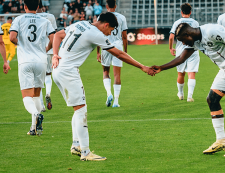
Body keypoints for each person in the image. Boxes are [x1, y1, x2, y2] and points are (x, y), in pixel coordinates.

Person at [52, 12, 154, 161]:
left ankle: (76, 145)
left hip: (58, 69)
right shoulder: (96, 34)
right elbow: (119, 54)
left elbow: (57, 35)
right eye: (111, 30)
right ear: (106, 25)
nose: (110, 33)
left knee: (78, 108)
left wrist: (55, 54)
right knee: (81, 110)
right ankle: (85, 153)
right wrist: (142, 67)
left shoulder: (79, 24)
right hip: (68, 72)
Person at [151, 22, 225, 157]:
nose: (184, 44)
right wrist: (161, 68)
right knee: (212, 99)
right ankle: (221, 140)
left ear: (188, 34)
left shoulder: (211, 31)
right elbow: (181, 58)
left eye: (182, 40)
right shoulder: (194, 41)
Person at [9, 0, 55, 136]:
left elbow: (12, 37)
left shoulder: (19, 19)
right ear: (39, 7)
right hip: (41, 61)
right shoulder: (45, 20)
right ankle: (34, 128)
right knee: (36, 94)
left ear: (25, 6)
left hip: (25, 61)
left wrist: (22, 44)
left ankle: (36, 114)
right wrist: (46, 49)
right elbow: (54, 37)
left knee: (26, 96)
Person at [97, 0, 128, 107]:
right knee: (117, 75)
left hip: (105, 45)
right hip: (118, 47)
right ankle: (116, 101)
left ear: (106, 6)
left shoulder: (101, 17)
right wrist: (125, 52)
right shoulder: (122, 17)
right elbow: (124, 36)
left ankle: (108, 93)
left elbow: (97, 34)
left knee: (106, 71)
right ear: (115, 6)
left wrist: (97, 52)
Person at [169, 3, 199, 102]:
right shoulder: (195, 23)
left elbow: (171, 37)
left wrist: (171, 48)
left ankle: (181, 94)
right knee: (191, 74)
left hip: (180, 51)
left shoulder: (177, 22)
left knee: (180, 74)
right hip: (192, 50)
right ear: (190, 12)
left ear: (181, 12)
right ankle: (189, 96)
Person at [37, 1, 58, 112]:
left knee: (38, 79)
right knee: (48, 74)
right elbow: (54, 34)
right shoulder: (50, 17)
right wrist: (50, 48)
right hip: (49, 50)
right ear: (42, 6)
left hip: (37, 51)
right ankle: (48, 93)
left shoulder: (32, 17)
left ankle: (41, 105)